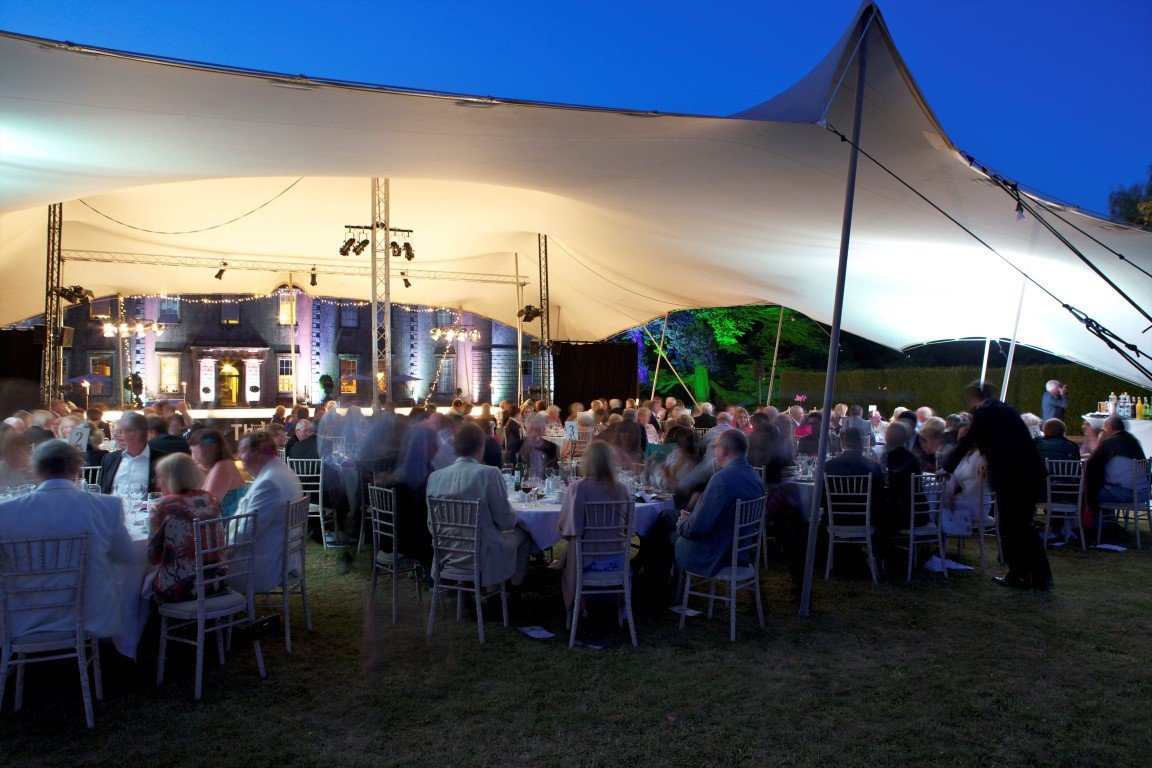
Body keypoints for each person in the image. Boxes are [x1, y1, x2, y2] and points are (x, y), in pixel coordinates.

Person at [0, 440, 135, 638]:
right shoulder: (107, 506)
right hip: (91, 618)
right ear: (77, 468)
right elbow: (127, 556)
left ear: (35, 469)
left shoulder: (6, 512)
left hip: (21, 620)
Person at [942, 380, 1051, 590]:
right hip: (1029, 474)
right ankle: (1039, 576)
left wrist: (946, 468)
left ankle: (1018, 574)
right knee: (1024, 526)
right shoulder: (1007, 409)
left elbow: (966, 441)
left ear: (974, 397)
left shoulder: (984, 412)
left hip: (1010, 476)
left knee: (1010, 526)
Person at [425, 423, 531, 588]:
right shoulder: (489, 474)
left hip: (447, 554)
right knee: (524, 536)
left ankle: (472, 591)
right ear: (480, 448)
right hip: (483, 554)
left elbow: (432, 526)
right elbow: (506, 522)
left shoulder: (435, 477)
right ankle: (512, 589)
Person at [673, 429, 764, 577]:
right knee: (667, 517)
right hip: (739, 550)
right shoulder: (755, 476)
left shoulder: (722, 479)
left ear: (723, 450)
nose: (714, 450)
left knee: (664, 538)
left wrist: (682, 523)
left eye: (715, 446)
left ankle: (664, 592)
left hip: (715, 555)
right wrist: (690, 518)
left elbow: (697, 529)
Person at [555, 440, 631, 613]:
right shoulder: (623, 489)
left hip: (587, 561)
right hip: (618, 559)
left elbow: (566, 528)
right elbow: (627, 529)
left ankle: (580, 604)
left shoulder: (577, 488)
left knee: (572, 548)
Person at [148, 453, 223, 603]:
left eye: (159, 476)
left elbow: (153, 557)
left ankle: (147, 625)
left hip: (183, 589)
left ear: (171, 477)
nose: (156, 481)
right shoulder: (211, 499)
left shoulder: (166, 505)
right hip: (217, 580)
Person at [235, 430, 303, 593]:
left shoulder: (269, 482)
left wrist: (219, 548)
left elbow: (247, 533)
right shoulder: (280, 471)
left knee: (199, 568)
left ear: (259, 453)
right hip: (278, 556)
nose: (239, 457)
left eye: (243, 451)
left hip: (262, 565)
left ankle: (206, 615)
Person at [1084, 415, 1148, 518]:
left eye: (1104, 429)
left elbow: (1092, 465)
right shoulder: (1133, 441)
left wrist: (1100, 441)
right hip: (1143, 493)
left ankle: (1096, 525)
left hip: (1126, 494)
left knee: (1087, 493)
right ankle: (1110, 522)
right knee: (1105, 486)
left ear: (1110, 428)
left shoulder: (1109, 442)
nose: (1103, 432)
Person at [99, 411, 168, 494]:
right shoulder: (110, 458)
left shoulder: (163, 460)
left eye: (121, 432)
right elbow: (102, 492)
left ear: (135, 433)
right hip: (112, 506)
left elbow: (168, 494)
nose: (116, 437)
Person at [189, 428, 248, 517]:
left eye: (193, 447)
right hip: (219, 524)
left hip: (227, 526)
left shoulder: (223, 466)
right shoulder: (214, 467)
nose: (191, 450)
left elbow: (207, 505)